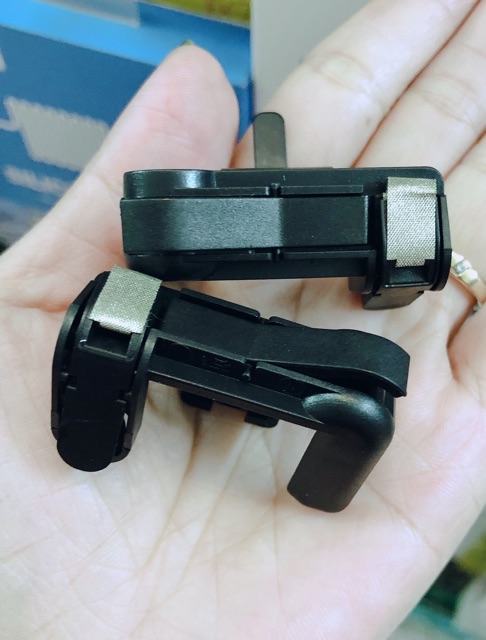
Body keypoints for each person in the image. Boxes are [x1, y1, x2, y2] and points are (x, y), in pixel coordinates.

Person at [1, 0, 485, 637]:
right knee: (357, 407)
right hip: (167, 315)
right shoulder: (151, 279)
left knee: (358, 408)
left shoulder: (361, 371)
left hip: (189, 315)